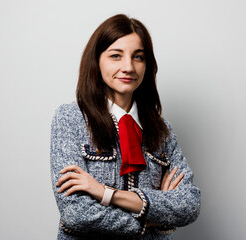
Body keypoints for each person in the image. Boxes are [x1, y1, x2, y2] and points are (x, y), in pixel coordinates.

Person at [50, 14, 201, 239]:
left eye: (138, 57)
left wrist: (105, 193)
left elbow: (189, 205)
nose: (128, 67)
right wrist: (150, 219)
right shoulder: (71, 119)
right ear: (97, 61)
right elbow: (76, 212)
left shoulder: (163, 131)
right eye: (116, 56)